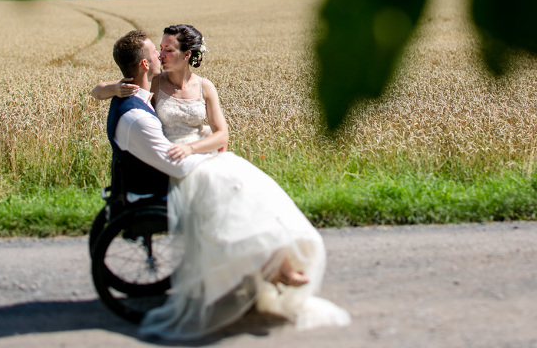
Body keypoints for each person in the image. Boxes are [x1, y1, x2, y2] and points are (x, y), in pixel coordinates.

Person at [94, 28, 350, 340]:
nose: (161, 55)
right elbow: (110, 89)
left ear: (188, 55)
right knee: (233, 188)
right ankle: (272, 263)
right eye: (158, 50)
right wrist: (111, 89)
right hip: (178, 163)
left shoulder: (204, 86)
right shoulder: (153, 84)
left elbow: (222, 135)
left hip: (196, 152)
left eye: (168, 49)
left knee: (252, 186)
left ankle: (274, 258)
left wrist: (195, 146)